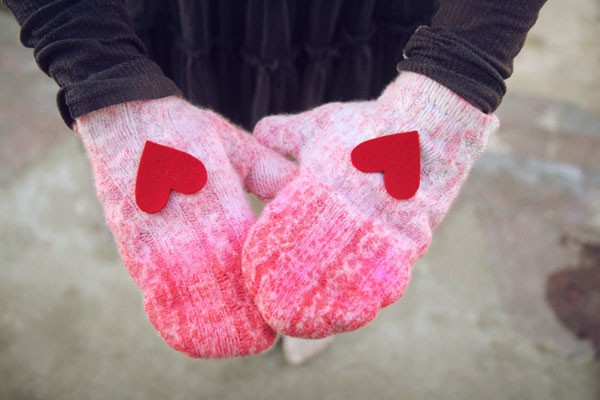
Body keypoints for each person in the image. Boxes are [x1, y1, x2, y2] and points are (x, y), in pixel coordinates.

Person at [4, 0, 547, 359]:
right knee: (203, 144)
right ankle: (264, 260)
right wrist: (110, 86)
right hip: (190, 19)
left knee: (343, 175)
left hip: (362, 17)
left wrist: (451, 86)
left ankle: (300, 275)